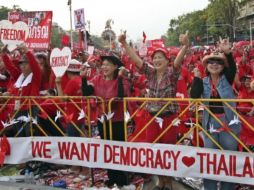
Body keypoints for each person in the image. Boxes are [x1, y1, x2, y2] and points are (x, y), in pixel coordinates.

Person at [118, 31, 189, 190]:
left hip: (169, 118)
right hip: (152, 118)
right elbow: (137, 61)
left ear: (166, 60)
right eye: (154, 58)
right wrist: (124, 44)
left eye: (160, 57)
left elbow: (178, 62)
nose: (156, 60)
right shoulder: (149, 73)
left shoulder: (172, 73)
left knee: (168, 150)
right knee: (155, 150)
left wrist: (185, 45)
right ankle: (160, 179)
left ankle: (168, 180)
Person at [190, 37, 240, 190]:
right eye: (211, 62)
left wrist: (228, 53)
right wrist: (197, 79)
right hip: (210, 123)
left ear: (222, 66)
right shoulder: (203, 81)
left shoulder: (227, 78)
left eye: (218, 62)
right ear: (206, 65)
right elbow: (194, 95)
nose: (214, 64)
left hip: (229, 123)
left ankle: (227, 188)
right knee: (209, 160)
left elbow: (232, 67)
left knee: (229, 159)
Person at [81, 53, 130, 187]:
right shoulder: (97, 79)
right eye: (103, 64)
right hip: (102, 120)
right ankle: (111, 177)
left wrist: (119, 78)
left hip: (117, 121)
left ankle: (122, 177)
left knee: (118, 149)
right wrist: (83, 78)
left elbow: (120, 96)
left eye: (108, 64)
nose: (104, 67)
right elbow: (86, 92)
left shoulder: (123, 80)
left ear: (115, 66)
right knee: (107, 149)